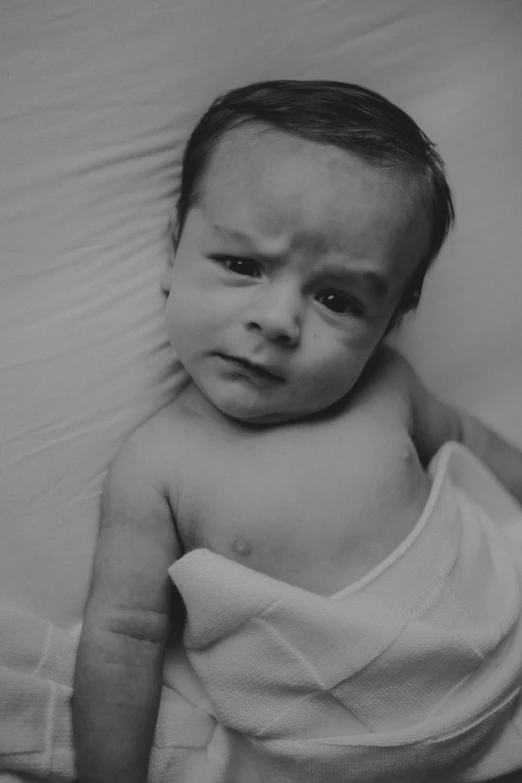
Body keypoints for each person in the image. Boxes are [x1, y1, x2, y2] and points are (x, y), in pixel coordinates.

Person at [72, 80, 522, 783]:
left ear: (386, 326)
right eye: (243, 265)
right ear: (174, 251)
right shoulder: (157, 463)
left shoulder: (388, 388)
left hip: (500, 672)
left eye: (337, 299)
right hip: (338, 753)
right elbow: (125, 633)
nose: (278, 320)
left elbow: (478, 445)